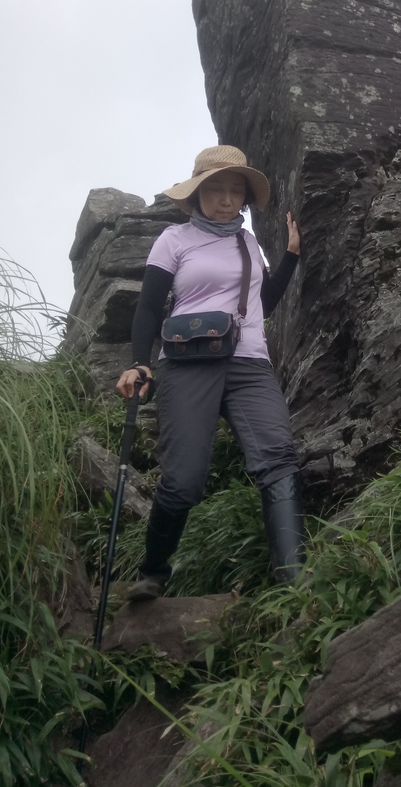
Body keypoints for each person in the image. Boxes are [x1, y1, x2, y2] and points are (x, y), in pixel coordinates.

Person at [116, 145, 304, 601]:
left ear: (243, 197)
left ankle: (295, 582)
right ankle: (154, 571)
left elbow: (259, 306)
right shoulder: (173, 240)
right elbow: (147, 307)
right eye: (215, 189)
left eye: (234, 190)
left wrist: (291, 257)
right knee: (183, 479)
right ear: (197, 193)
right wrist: (140, 360)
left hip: (248, 363)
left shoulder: (247, 242)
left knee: (277, 458)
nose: (225, 199)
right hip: (186, 365)